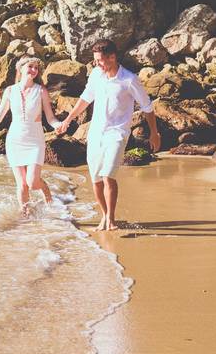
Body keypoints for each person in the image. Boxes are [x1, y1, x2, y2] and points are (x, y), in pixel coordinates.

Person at [56, 39, 160, 231]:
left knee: (108, 176)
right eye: (95, 60)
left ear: (112, 57)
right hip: (96, 132)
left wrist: (154, 133)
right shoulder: (96, 74)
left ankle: (111, 219)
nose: (97, 64)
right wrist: (68, 120)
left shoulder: (129, 79)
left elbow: (147, 106)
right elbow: (86, 98)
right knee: (95, 178)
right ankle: (104, 215)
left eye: (100, 60)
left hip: (117, 133)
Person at [0, 56, 62, 216]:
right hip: (15, 141)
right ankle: (26, 216)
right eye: (30, 66)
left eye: (36, 68)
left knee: (32, 182)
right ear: (21, 69)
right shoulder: (10, 91)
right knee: (22, 185)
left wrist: (59, 126)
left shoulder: (40, 91)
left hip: (35, 142)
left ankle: (43, 187)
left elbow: (50, 118)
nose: (33, 70)